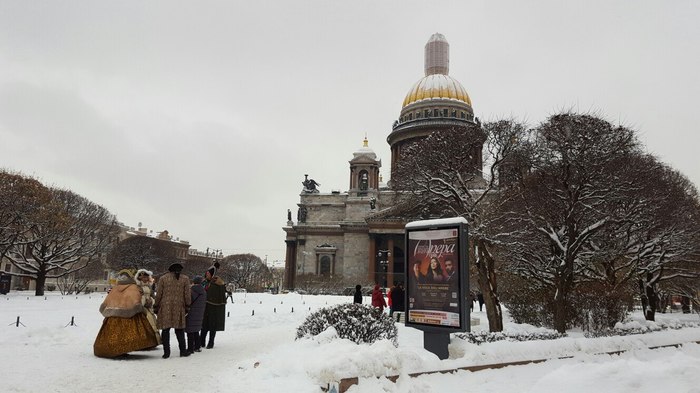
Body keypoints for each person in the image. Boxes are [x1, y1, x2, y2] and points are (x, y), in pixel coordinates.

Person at [93, 269, 159, 358]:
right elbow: (136, 300)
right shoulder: (133, 287)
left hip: (113, 315)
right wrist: (141, 307)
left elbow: (108, 301)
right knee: (128, 332)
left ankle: (109, 348)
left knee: (112, 333)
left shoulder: (116, 287)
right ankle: (124, 347)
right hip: (128, 314)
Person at [154, 262, 191, 358]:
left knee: (165, 330)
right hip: (179, 306)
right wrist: (187, 305)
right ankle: (183, 351)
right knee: (179, 330)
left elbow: (158, 294)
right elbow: (187, 295)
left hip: (165, 306)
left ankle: (166, 353)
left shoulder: (163, 278)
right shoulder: (185, 279)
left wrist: (156, 305)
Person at [201, 262, 226, 349]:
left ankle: (211, 342)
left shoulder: (218, 283)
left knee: (212, 325)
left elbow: (221, 295)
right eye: (206, 273)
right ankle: (201, 342)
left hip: (214, 308)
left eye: (208, 273)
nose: (206, 274)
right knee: (203, 325)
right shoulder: (204, 283)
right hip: (205, 307)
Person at [135, 269, 161, 346]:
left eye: (146, 277)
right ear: (139, 278)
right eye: (143, 277)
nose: (145, 279)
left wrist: (152, 301)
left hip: (149, 307)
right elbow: (135, 297)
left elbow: (153, 296)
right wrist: (143, 302)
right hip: (140, 308)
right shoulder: (136, 286)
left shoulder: (149, 287)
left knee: (152, 322)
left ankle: (152, 342)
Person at [185, 276, 206, 354]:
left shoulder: (192, 291)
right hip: (199, 314)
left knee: (190, 330)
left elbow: (188, 301)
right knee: (196, 330)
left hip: (191, 313)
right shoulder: (204, 292)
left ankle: (190, 348)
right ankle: (197, 346)